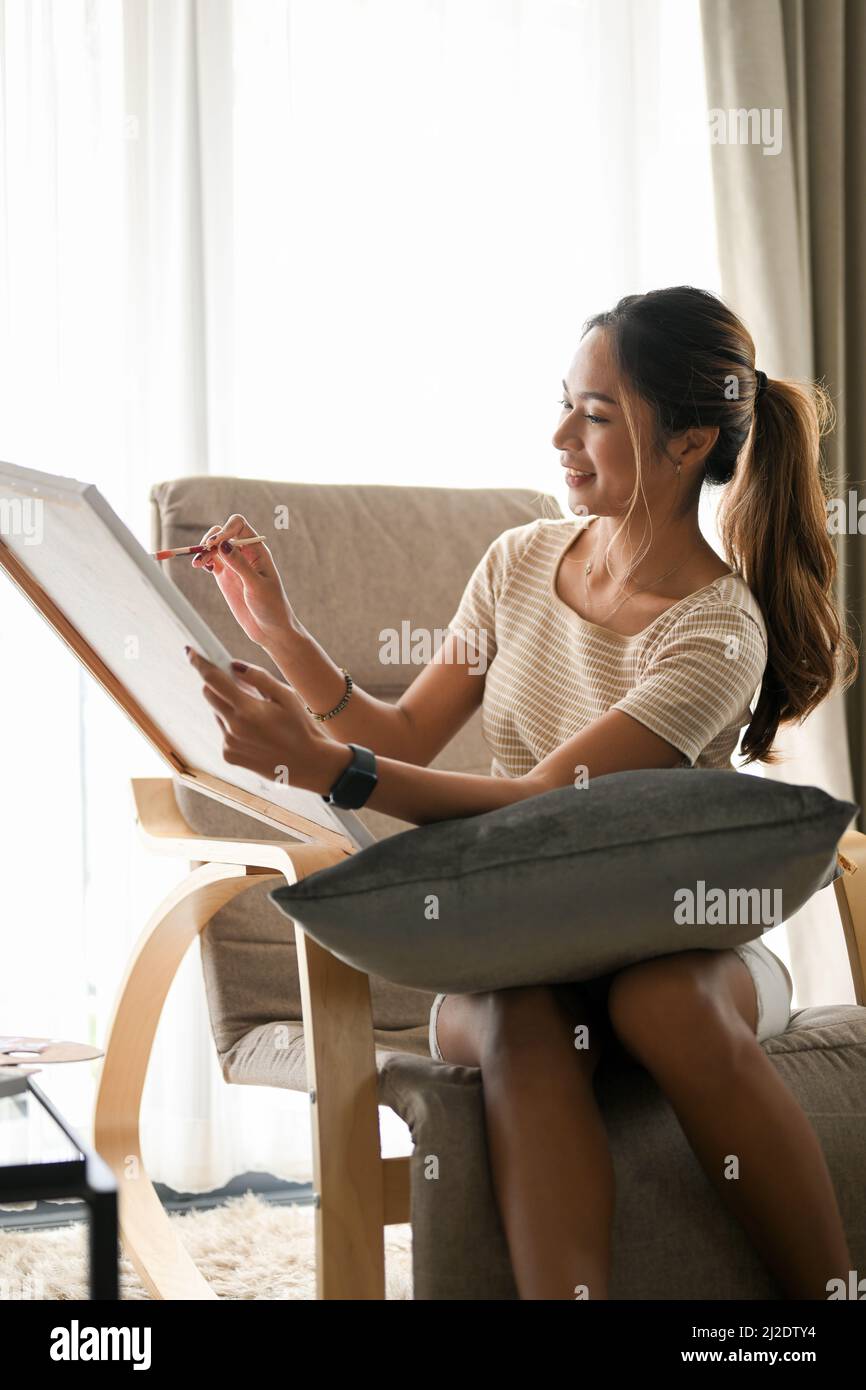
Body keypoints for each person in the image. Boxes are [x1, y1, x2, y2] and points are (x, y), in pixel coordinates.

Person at [185, 285, 857, 1300]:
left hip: (687, 944)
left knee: (661, 999)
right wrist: (280, 632)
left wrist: (330, 770)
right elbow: (406, 728)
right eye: (563, 402)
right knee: (523, 1020)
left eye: (594, 413)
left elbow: (553, 800)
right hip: (517, 948)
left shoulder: (717, 632)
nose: (558, 435)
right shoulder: (516, 563)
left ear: (683, 444)